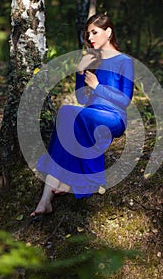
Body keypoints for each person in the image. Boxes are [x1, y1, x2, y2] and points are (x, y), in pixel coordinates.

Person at [30, 13, 134, 217]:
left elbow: (125, 101)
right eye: (88, 33)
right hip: (90, 113)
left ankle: (84, 181)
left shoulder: (124, 61)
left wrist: (98, 86)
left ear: (109, 32)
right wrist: (80, 74)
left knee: (69, 114)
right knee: (68, 115)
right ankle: (45, 200)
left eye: (95, 32)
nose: (91, 37)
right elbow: (83, 99)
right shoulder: (93, 60)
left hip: (114, 117)